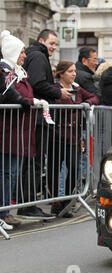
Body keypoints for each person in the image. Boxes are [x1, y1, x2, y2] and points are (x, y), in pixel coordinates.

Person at [0, 30, 52, 226]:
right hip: (8, 130)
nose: (25, 56)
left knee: (11, 173)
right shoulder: (6, 71)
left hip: (18, 132)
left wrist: (29, 101)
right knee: (5, 173)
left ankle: (5, 212)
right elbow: (10, 94)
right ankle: (3, 213)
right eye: (22, 52)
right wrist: (28, 101)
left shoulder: (18, 72)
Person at [20, 29, 73, 217]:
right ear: (41, 40)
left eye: (56, 44)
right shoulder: (38, 57)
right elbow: (37, 83)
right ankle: (28, 204)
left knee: (32, 161)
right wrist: (58, 93)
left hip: (37, 116)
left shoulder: (37, 56)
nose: (53, 47)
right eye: (51, 43)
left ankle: (27, 202)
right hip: (37, 118)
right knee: (34, 161)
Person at [49, 60, 99, 217]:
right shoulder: (55, 89)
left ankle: (67, 201)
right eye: (70, 71)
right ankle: (56, 201)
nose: (74, 74)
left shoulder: (77, 88)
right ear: (61, 73)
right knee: (54, 170)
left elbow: (95, 97)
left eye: (74, 71)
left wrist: (85, 103)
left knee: (74, 168)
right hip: (57, 136)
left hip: (74, 137)